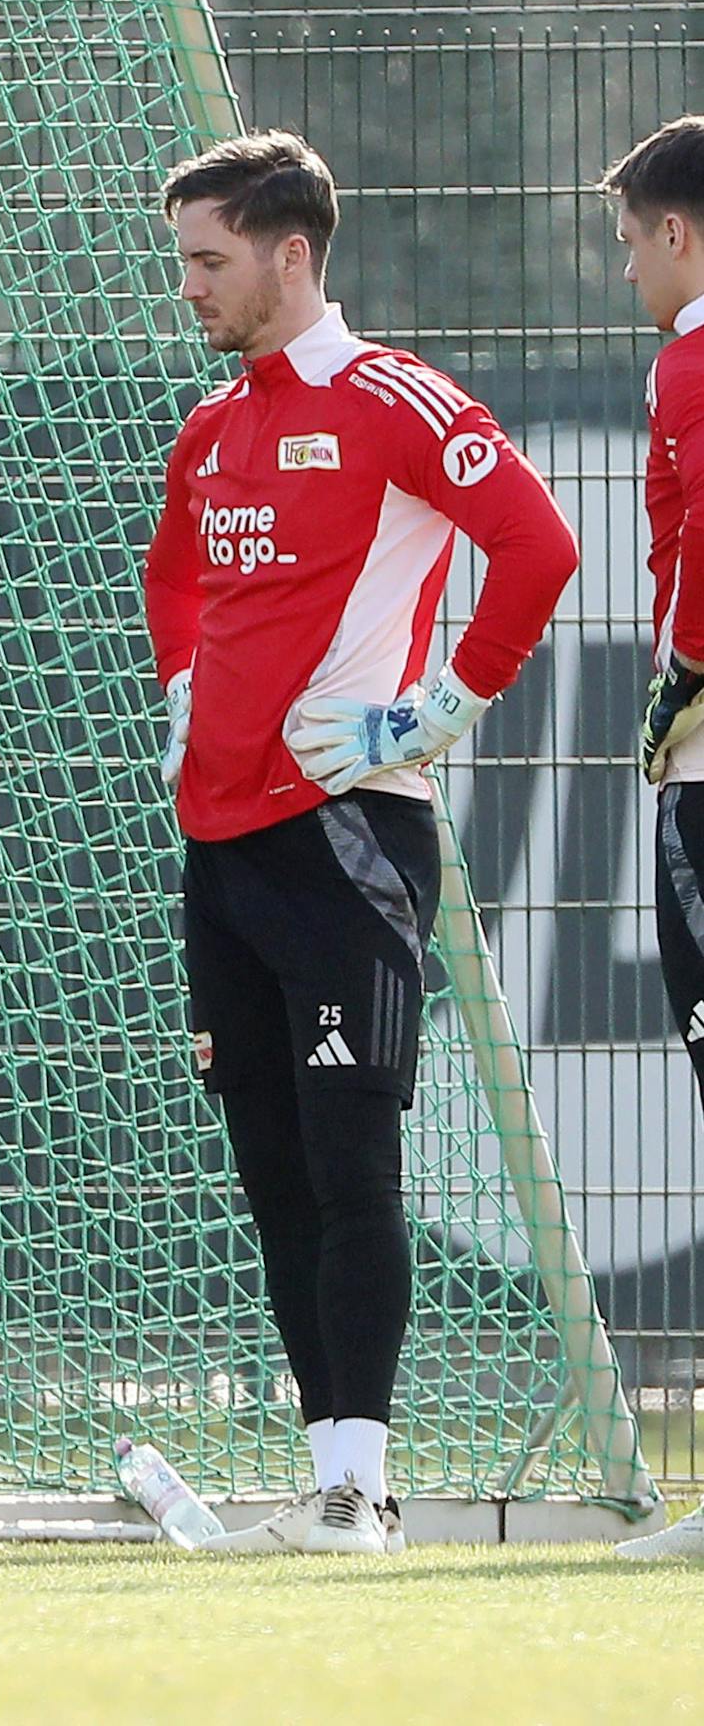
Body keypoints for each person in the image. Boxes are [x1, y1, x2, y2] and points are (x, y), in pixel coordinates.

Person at [142, 131, 578, 1556]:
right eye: (183, 260)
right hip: (221, 850)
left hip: (347, 839)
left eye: (209, 259)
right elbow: (172, 578)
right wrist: (181, 689)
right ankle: (332, 1479)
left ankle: (363, 1488)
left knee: (348, 1168)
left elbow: (538, 547)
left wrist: (438, 707)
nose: (190, 286)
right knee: (274, 1175)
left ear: (291, 254)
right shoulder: (211, 428)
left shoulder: (393, 397)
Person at [601, 116, 704, 1562]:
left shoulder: (689, 361)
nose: (624, 267)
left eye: (630, 240)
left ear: (676, 232)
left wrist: (679, 680)